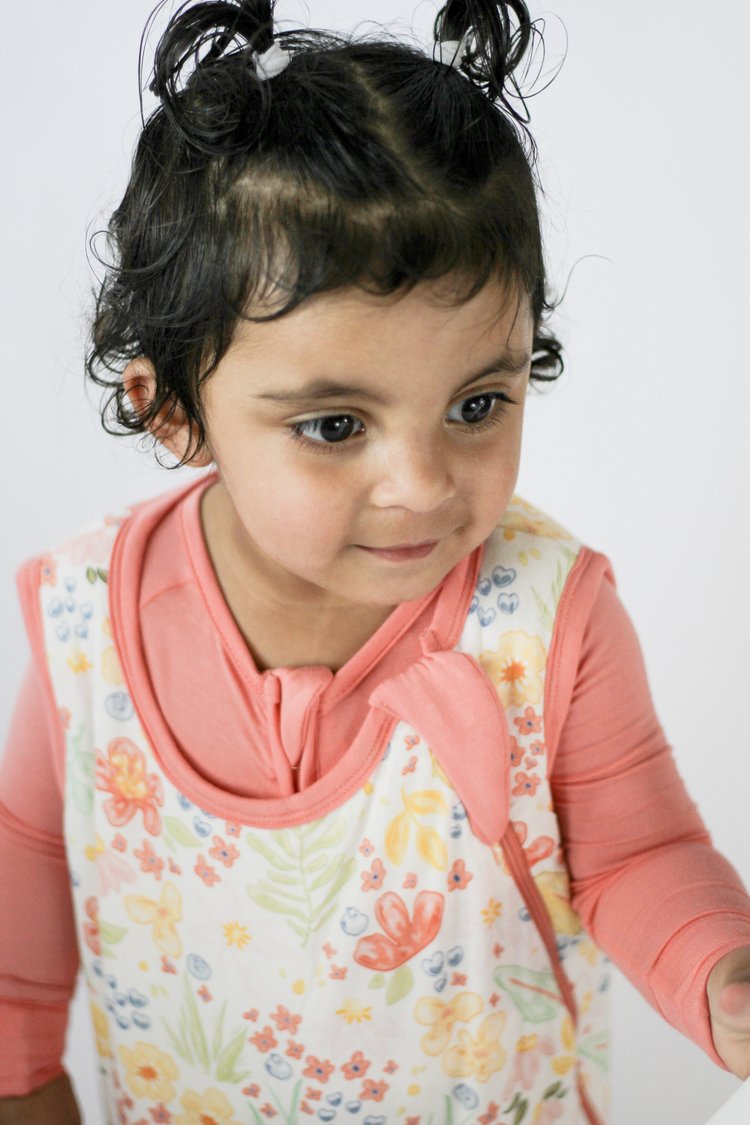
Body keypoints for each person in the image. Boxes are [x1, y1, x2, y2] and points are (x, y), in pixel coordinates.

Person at [1, 1, 749, 1122]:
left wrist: (722, 973)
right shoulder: (87, 627)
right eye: (336, 426)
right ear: (172, 413)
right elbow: (20, 921)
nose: (426, 484)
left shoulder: (548, 613)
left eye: (476, 403)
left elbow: (638, 854)